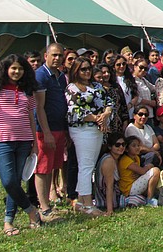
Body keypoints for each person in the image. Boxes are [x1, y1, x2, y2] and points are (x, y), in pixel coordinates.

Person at [0, 54, 43, 235]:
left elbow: (31, 117)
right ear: (5, 69)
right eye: (13, 68)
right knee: (9, 181)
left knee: (17, 182)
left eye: (20, 69)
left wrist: (35, 144)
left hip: (25, 140)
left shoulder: (27, 90)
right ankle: (31, 211)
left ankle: (8, 222)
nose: (17, 72)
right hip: (1, 140)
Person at [66, 57, 114, 216]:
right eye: (83, 69)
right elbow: (74, 111)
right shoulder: (72, 88)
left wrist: (106, 114)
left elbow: (109, 102)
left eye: (88, 68)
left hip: (97, 130)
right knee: (86, 166)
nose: (87, 72)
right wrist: (95, 117)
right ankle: (88, 204)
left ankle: (80, 201)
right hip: (82, 130)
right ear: (76, 70)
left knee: (89, 165)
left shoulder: (98, 86)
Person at [33, 43, 67, 222]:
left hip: (59, 127)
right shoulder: (40, 75)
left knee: (51, 168)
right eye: (54, 55)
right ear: (46, 55)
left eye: (60, 55)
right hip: (45, 130)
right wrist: (46, 132)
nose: (57, 58)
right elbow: (39, 108)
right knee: (42, 168)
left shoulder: (61, 76)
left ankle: (47, 205)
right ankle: (44, 207)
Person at [118, 136, 160, 207]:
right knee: (155, 171)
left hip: (134, 183)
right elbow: (142, 171)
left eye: (138, 145)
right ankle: (149, 200)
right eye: (134, 146)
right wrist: (150, 165)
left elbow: (139, 172)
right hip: (128, 188)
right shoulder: (125, 160)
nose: (137, 147)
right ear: (127, 149)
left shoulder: (136, 158)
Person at [94, 133, 125, 215]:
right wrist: (110, 210)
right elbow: (109, 186)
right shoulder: (109, 161)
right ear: (110, 147)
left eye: (123, 144)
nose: (121, 147)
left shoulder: (116, 159)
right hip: (107, 200)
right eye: (117, 145)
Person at [132, 59, 157, 124]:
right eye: (141, 67)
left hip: (149, 114)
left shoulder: (143, 80)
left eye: (145, 69)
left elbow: (154, 88)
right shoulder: (131, 80)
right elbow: (135, 99)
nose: (143, 70)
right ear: (135, 67)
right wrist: (150, 102)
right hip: (139, 116)